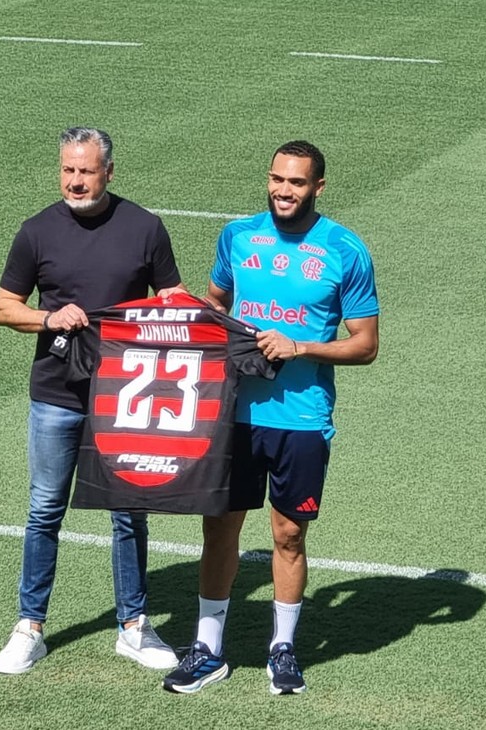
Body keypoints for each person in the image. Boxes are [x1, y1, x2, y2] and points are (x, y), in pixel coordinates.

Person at [162, 140, 380, 695]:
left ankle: (282, 649)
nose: (285, 190)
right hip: (234, 415)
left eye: (298, 182)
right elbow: (215, 303)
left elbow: (366, 345)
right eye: (278, 180)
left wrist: (300, 347)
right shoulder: (237, 236)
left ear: (319, 188)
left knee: (287, 535)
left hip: (302, 419)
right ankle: (207, 649)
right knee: (220, 529)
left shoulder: (344, 250)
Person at [0, 127, 185, 674]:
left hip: (127, 398)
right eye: (67, 170)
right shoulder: (36, 232)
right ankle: (30, 627)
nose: (75, 181)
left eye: (86, 171)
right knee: (44, 510)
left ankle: (134, 626)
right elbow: (5, 307)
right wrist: (48, 317)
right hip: (56, 394)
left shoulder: (145, 227)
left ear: (109, 172)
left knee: (129, 511)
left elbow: (170, 299)